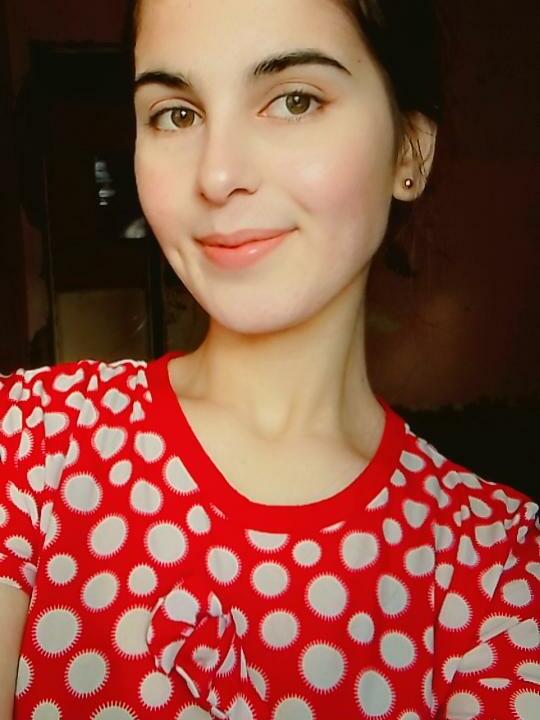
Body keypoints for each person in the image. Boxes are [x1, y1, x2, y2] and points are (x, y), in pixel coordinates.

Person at [1, 0, 538, 718]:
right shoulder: (30, 442)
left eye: (294, 100)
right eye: (176, 114)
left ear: (410, 152)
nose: (217, 175)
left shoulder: (497, 568)